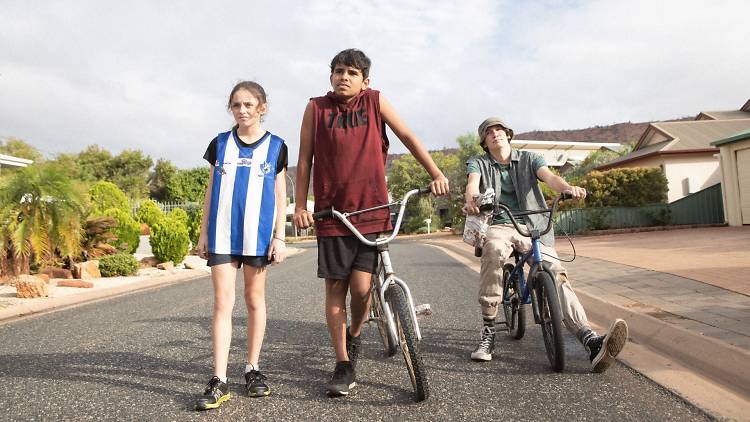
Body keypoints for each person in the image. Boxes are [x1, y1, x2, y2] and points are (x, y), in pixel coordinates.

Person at [294, 48, 449, 396]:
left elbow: (408, 137)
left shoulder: (375, 101)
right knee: (336, 287)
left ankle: (356, 334)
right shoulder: (316, 108)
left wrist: (436, 173)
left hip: (370, 211)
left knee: (362, 289)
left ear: (365, 80)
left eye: (351, 72)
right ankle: (343, 363)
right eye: (337, 71)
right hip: (332, 214)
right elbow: (305, 159)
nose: (343, 77)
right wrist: (301, 205)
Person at [464, 116, 628, 373]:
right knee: (494, 251)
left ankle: (590, 340)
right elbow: (472, 184)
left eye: (499, 130)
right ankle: (488, 330)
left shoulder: (530, 158)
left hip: (534, 225)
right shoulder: (479, 163)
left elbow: (550, 177)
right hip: (500, 225)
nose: (495, 134)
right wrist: (473, 198)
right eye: (489, 132)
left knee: (556, 274)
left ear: (508, 134)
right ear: (484, 141)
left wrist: (568, 187)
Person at [194, 81, 288, 410]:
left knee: (253, 300)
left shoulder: (276, 146)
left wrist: (280, 236)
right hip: (222, 234)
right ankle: (218, 379)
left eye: (249, 104)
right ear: (231, 109)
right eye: (236, 105)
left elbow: (280, 195)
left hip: (258, 237)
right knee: (222, 303)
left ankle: (252, 368)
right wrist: (204, 232)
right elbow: (210, 191)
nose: (243, 110)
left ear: (262, 107)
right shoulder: (219, 144)